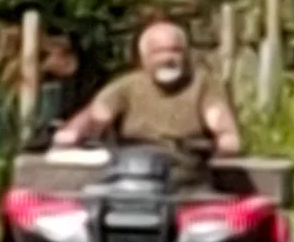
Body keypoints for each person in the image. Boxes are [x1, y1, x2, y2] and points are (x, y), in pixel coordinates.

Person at [53, 20, 241, 179]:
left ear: (186, 55)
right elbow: (95, 116)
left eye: (175, 51)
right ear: (143, 58)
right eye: (158, 52)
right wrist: (72, 133)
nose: (167, 58)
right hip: (130, 171)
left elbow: (223, 127)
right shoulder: (127, 86)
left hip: (186, 171)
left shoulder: (203, 85)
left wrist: (226, 144)